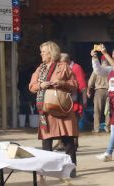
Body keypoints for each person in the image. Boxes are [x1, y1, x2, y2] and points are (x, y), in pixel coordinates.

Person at [29, 41, 78, 177]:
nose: (41, 54)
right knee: (47, 141)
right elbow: (31, 86)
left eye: (43, 52)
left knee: (68, 141)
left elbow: (75, 84)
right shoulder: (40, 69)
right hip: (47, 110)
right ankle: (48, 169)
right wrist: (41, 84)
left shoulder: (64, 67)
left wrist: (61, 83)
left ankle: (71, 170)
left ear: (51, 53)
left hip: (63, 109)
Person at [86, 59, 110, 133]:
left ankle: (96, 128)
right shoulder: (110, 69)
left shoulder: (97, 70)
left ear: (101, 62)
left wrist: (88, 90)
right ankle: (107, 127)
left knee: (97, 111)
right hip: (109, 91)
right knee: (108, 110)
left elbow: (90, 82)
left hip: (99, 91)